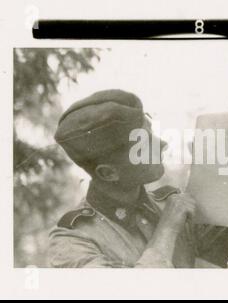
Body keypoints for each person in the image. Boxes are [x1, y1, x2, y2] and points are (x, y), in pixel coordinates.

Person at [48, 89, 196, 268]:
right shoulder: (72, 242)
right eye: (143, 144)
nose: (162, 144)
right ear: (108, 173)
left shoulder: (169, 205)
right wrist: (168, 227)